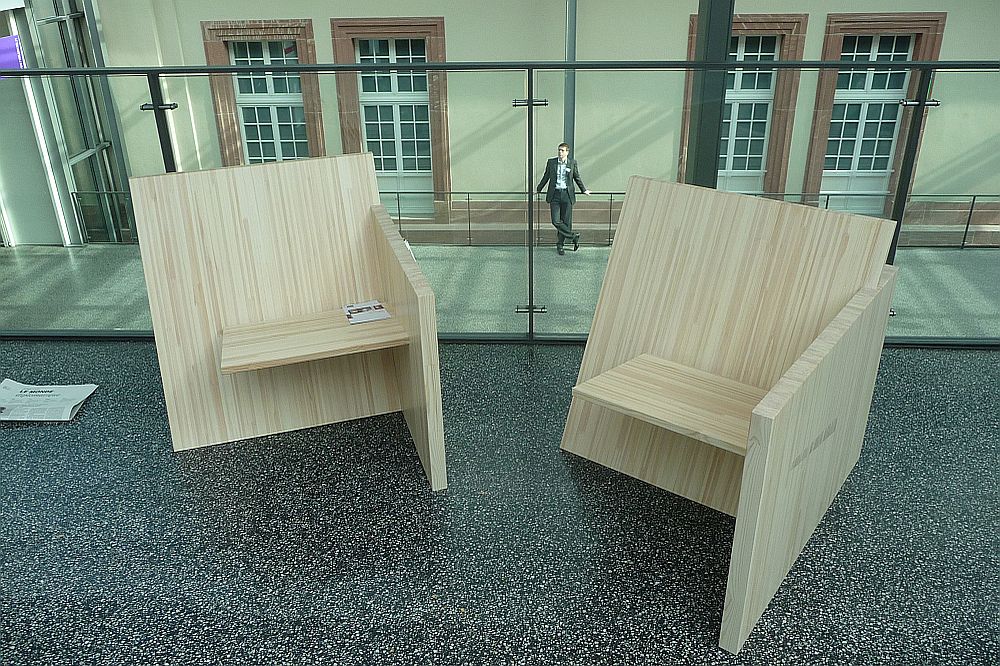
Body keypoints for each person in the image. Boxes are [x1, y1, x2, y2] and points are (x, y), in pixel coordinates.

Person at [536, 143, 590, 255]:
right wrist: (538, 189)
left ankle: (560, 245)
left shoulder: (572, 163)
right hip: (555, 194)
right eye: (559, 150)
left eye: (562, 150)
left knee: (565, 222)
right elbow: (546, 176)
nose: (560, 152)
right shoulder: (551, 162)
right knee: (555, 221)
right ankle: (573, 236)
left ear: (567, 152)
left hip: (567, 195)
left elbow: (577, 177)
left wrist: (584, 190)